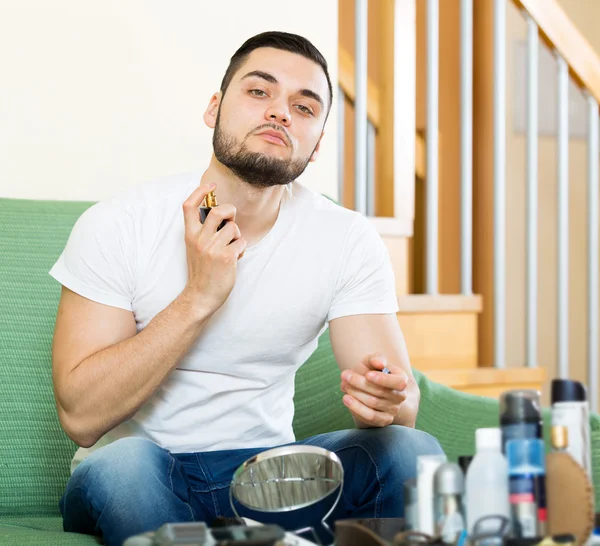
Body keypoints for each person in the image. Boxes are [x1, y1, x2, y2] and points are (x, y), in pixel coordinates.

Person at [50, 31, 443, 546]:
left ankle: (258, 535)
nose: (280, 113)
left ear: (317, 143)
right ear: (214, 108)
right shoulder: (119, 224)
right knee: (123, 465)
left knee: (413, 453)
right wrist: (200, 297)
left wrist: (388, 402)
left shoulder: (345, 238)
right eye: (259, 92)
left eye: (304, 107)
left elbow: (400, 402)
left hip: (268, 478)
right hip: (139, 472)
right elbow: (81, 417)